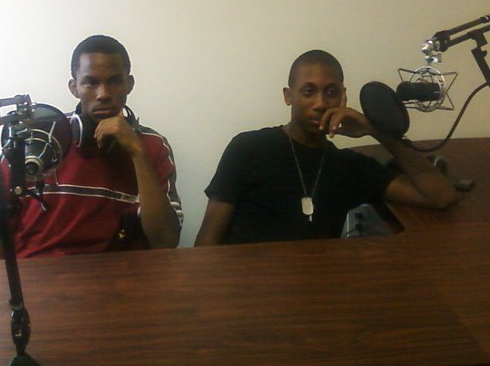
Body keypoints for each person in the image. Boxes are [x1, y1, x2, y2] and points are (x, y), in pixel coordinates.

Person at [0, 35, 183, 306]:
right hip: (31, 284)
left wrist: (137, 153)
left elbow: (165, 240)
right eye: (90, 82)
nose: (103, 93)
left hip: (114, 288)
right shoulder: (37, 138)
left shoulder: (152, 147)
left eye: (114, 81)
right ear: (74, 87)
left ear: (129, 84)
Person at [194, 49, 459, 246]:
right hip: (246, 287)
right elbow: (207, 240)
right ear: (288, 95)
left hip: (317, 290)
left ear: (343, 96)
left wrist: (376, 131)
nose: (320, 103)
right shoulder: (248, 148)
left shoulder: (349, 167)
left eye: (331, 92)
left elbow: (441, 196)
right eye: (308, 91)